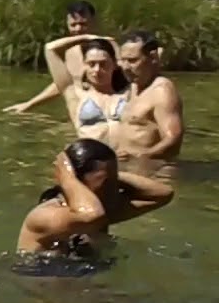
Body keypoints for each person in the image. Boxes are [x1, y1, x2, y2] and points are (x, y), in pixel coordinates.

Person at [17, 139, 174, 255]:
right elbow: (91, 216)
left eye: (115, 180)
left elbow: (162, 194)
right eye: (106, 183)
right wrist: (67, 177)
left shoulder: (102, 210)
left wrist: (112, 175)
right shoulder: (46, 216)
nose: (116, 189)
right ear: (77, 181)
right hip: (44, 290)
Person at [3, 1, 102, 114]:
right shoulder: (70, 52)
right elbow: (63, 84)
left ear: (94, 22)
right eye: (73, 25)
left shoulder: (109, 50)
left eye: (83, 24)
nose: (78, 29)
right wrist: (28, 105)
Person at [115, 30, 185, 177]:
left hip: (155, 173)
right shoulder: (133, 85)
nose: (126, 67)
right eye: (123, 60)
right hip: (130, 169)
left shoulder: (162, 90)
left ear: (152, 57)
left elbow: (173, 139)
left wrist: (140, 155)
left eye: (133, 60)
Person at [41, 34, 130, 145]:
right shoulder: (76, 95)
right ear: (84, 65)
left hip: (125, 158)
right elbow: (50, 48)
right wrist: (86, 38)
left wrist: (114, 45)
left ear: (115, 65)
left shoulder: (130, 94)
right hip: (90, 159)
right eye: (91, 64)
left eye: (103, 64)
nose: (97, 70)